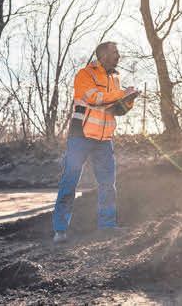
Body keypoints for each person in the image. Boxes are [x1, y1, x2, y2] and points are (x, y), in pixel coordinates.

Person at [52, 40, 138, 243]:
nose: (118, 56)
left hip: (104, 140)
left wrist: (129, 100)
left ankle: (107, 227)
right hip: (80, 137)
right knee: (69, 182)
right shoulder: (85, 74)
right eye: (115, 52)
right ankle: (60, 230)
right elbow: (94, 98)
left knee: (108, 184)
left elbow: (115, 109)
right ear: (103, 55)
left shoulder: (115, 79)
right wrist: (122, 94)